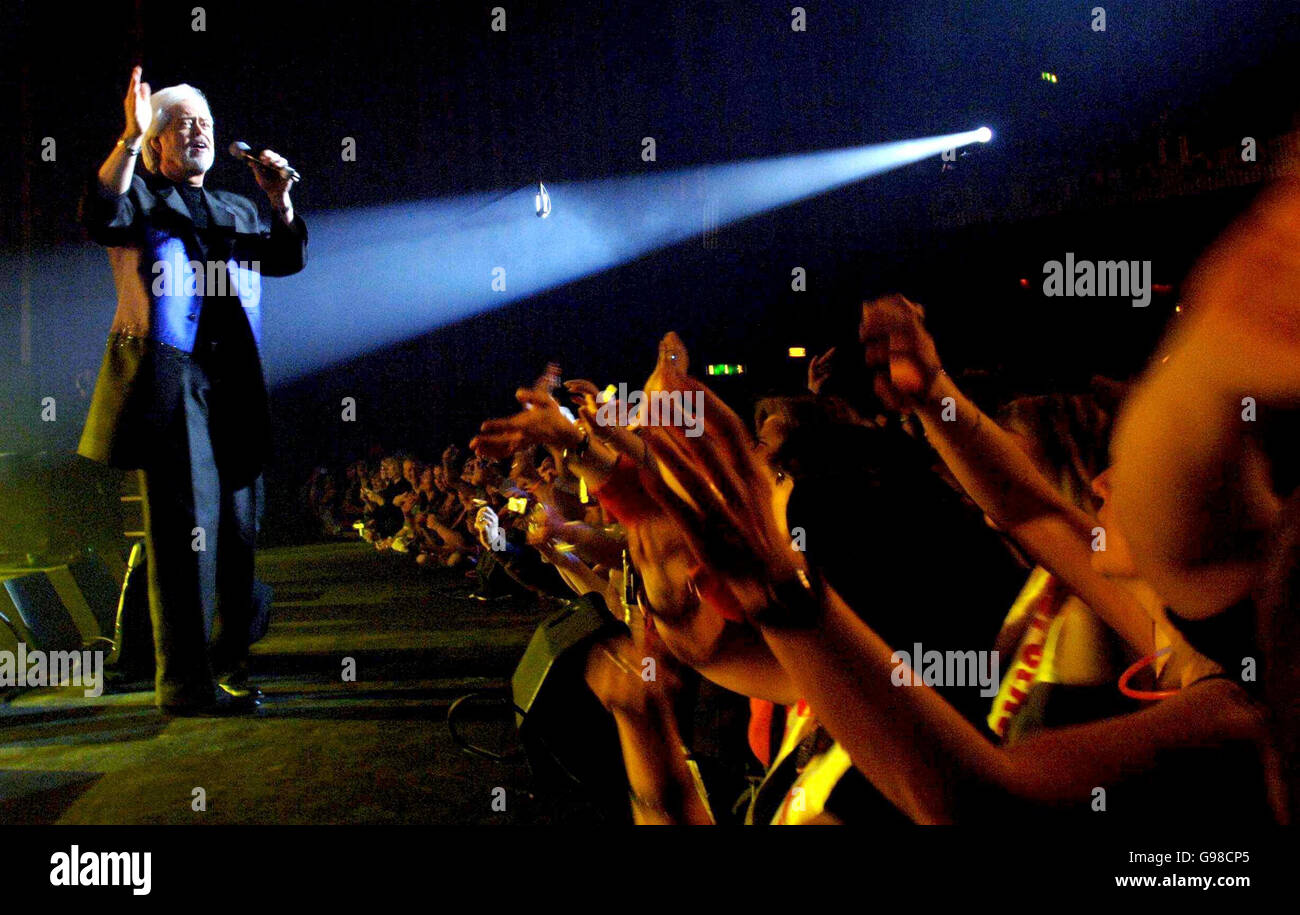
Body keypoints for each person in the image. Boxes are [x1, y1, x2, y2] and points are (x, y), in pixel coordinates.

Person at [78, 67, 307, 715]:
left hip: (233, 385)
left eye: (206, 121)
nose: (199, 129)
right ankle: (183, 684)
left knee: (237, 528)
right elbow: (99, 209)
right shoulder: (141, 198)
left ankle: (226, 660)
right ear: (156, 144)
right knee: (184, 535)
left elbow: (286, 258)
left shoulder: (237, 207)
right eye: (182, 122)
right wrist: (127, 136)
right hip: (173, 382)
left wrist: (279, 200)